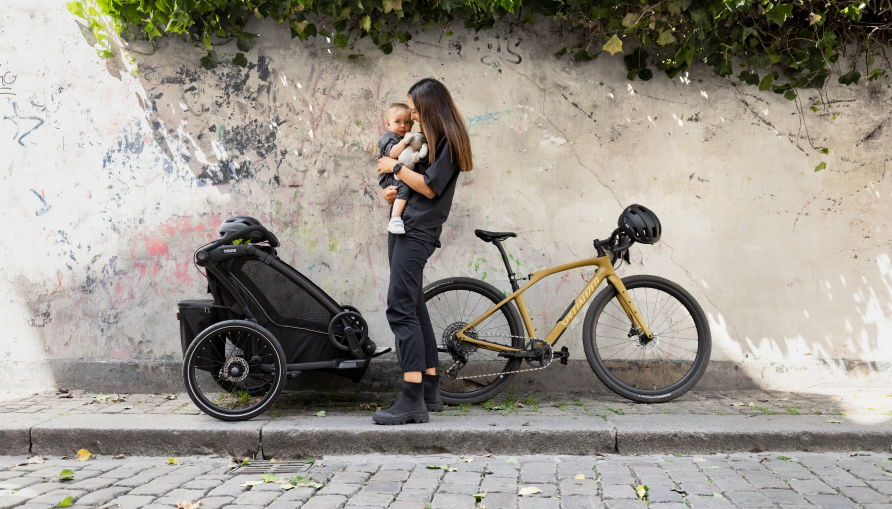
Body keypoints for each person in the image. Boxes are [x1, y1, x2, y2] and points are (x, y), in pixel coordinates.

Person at [373, 77, 474, 425]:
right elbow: (417, 184)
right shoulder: (432, 141)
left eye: (415, 110)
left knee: (399, 308)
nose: (411, 117)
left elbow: (430, 188)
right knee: (414, 305)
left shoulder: (446, 141)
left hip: (416, 230)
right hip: (410, 226)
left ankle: (411, 397)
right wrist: (394, 189)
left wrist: (395, 167)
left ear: (431, 107)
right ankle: (430, 388)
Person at [377, 103, 416, 234]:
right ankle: (395, 219)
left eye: (407, 122)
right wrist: (405, 141)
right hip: (388, 176)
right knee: (404, 187)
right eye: (397, 121)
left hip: (396, 172)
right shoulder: (388, 137)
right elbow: (393, 153)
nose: (403, 125)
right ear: (388, 124)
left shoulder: (404, 137)